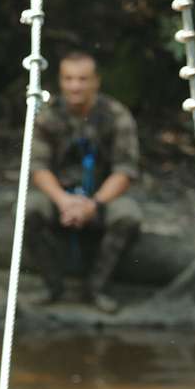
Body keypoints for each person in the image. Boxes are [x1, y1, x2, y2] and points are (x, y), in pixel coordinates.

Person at [24, 50, 142, 313]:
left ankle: (96, 289)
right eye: (69, 79)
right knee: (27, 209)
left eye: (82, 79)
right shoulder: (47, 115)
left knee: (128, 214)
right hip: (60, 199)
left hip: (101, 198)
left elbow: (126, 170)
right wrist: (64, 201)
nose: (75, 86)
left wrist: (94, 204)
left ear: (95, 81)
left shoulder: (116, 114)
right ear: (61, 81)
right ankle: (52, 287)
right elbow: (38, 167)